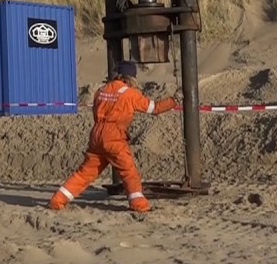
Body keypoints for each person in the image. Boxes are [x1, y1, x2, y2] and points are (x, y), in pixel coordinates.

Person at [48, 61, 179, 213]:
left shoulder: (102, 90)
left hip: (97, 133)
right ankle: (139, 205)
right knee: (129, 171)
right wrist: (174, 100)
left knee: (85, 173)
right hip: (114, 136)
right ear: (131, 78)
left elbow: (97, 111)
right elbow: (154, 108)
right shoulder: (130, 94)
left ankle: (58, 200)